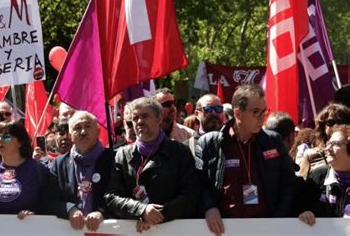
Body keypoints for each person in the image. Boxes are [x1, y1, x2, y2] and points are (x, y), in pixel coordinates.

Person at [196, 85, 296, 235]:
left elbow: (289, 182)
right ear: (237, 113)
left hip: (267, 229)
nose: (262, 117)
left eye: (264, 111)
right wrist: (209, 207)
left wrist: (278, 220)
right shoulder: (210, 143)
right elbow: (197, 182)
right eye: (256, 112)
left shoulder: (272, 141)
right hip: (223, 230)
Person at [105, 97, 200, 233]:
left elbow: (191, 195)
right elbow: (111, 197)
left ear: (159, 118)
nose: (139, 122)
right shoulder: (121, 155)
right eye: (135, 118)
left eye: (145, 116)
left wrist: (157, 215)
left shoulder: (180, 152)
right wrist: (141, 210)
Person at [0, 121, 62, 219]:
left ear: (20, 142)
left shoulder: (38, 170)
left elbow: (51, 203)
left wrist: (35, 213)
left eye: (6, 136)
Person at [50, 111, 115, 231]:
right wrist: (70, 209)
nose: (83, 132)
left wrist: (102, 213)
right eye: (78, 128)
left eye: (88, 126)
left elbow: (121, 194)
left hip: (106, 230)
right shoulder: (58, 164)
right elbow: (50, 198)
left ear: (98, 131)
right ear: (70, 135)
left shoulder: (114, 159)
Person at [299, 124, 350, 225]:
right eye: (329, 143)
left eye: (335, 144)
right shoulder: (318, 176)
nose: (328, 148)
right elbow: (301, 206)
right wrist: (304, 213)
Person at [298, 103, 350, 179]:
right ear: (323, 127)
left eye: (341, 122)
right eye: (331, 122)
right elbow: (302, 185)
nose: (336, 126)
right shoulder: (311, 155)